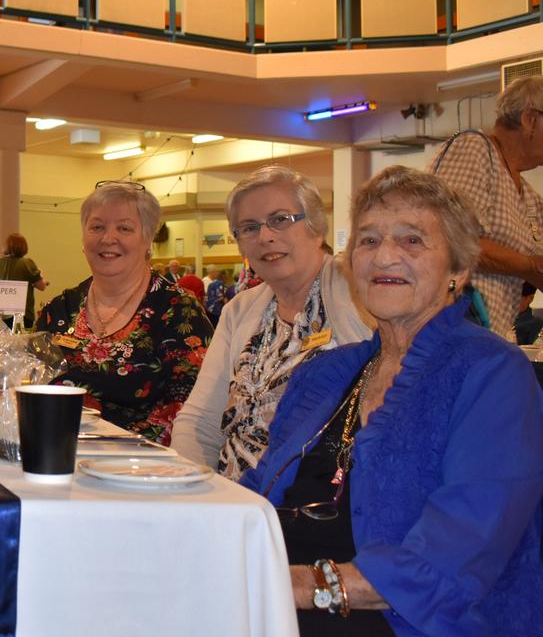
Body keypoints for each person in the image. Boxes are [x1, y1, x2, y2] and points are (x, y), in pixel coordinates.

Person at [241, 166, 543, 635]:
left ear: (458, 270)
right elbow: (257, 490)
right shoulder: (326, 372)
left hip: (395, 619)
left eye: (413, 241)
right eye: (368, 240)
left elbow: (453, 555)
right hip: (275, 605)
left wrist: (290, 584)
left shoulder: (492, 373)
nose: (385, 256)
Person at [173, 166, 373, 479]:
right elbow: (199, 422)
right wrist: (191, 491)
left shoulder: (359, 293)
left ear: (316, 226)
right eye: (249, 228)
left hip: (316, 502)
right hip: (232, 498)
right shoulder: (239, 310)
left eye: (280, 219)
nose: (265, 236)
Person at [37, 181, 213, 444]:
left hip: (143, 465)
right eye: (97, 227)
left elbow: (193, 410)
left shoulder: (178, 310)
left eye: (124, 228)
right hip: (56, 452)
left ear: (148, 238)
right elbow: (32, 385)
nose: (108, 238)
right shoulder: (59, 309)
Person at [429, 75, 543, 340]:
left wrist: (531, 268)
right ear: (530, 119)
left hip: (494, 336)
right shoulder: (474, 149)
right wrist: (529, 265)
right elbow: (451, 239)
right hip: (456, 331)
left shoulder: (528, 196)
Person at [0, 232, 48, 328]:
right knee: (20, 342)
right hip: (22, 316)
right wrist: (41, 274)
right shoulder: (27, 264)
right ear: (24, 247)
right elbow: (41, 286)